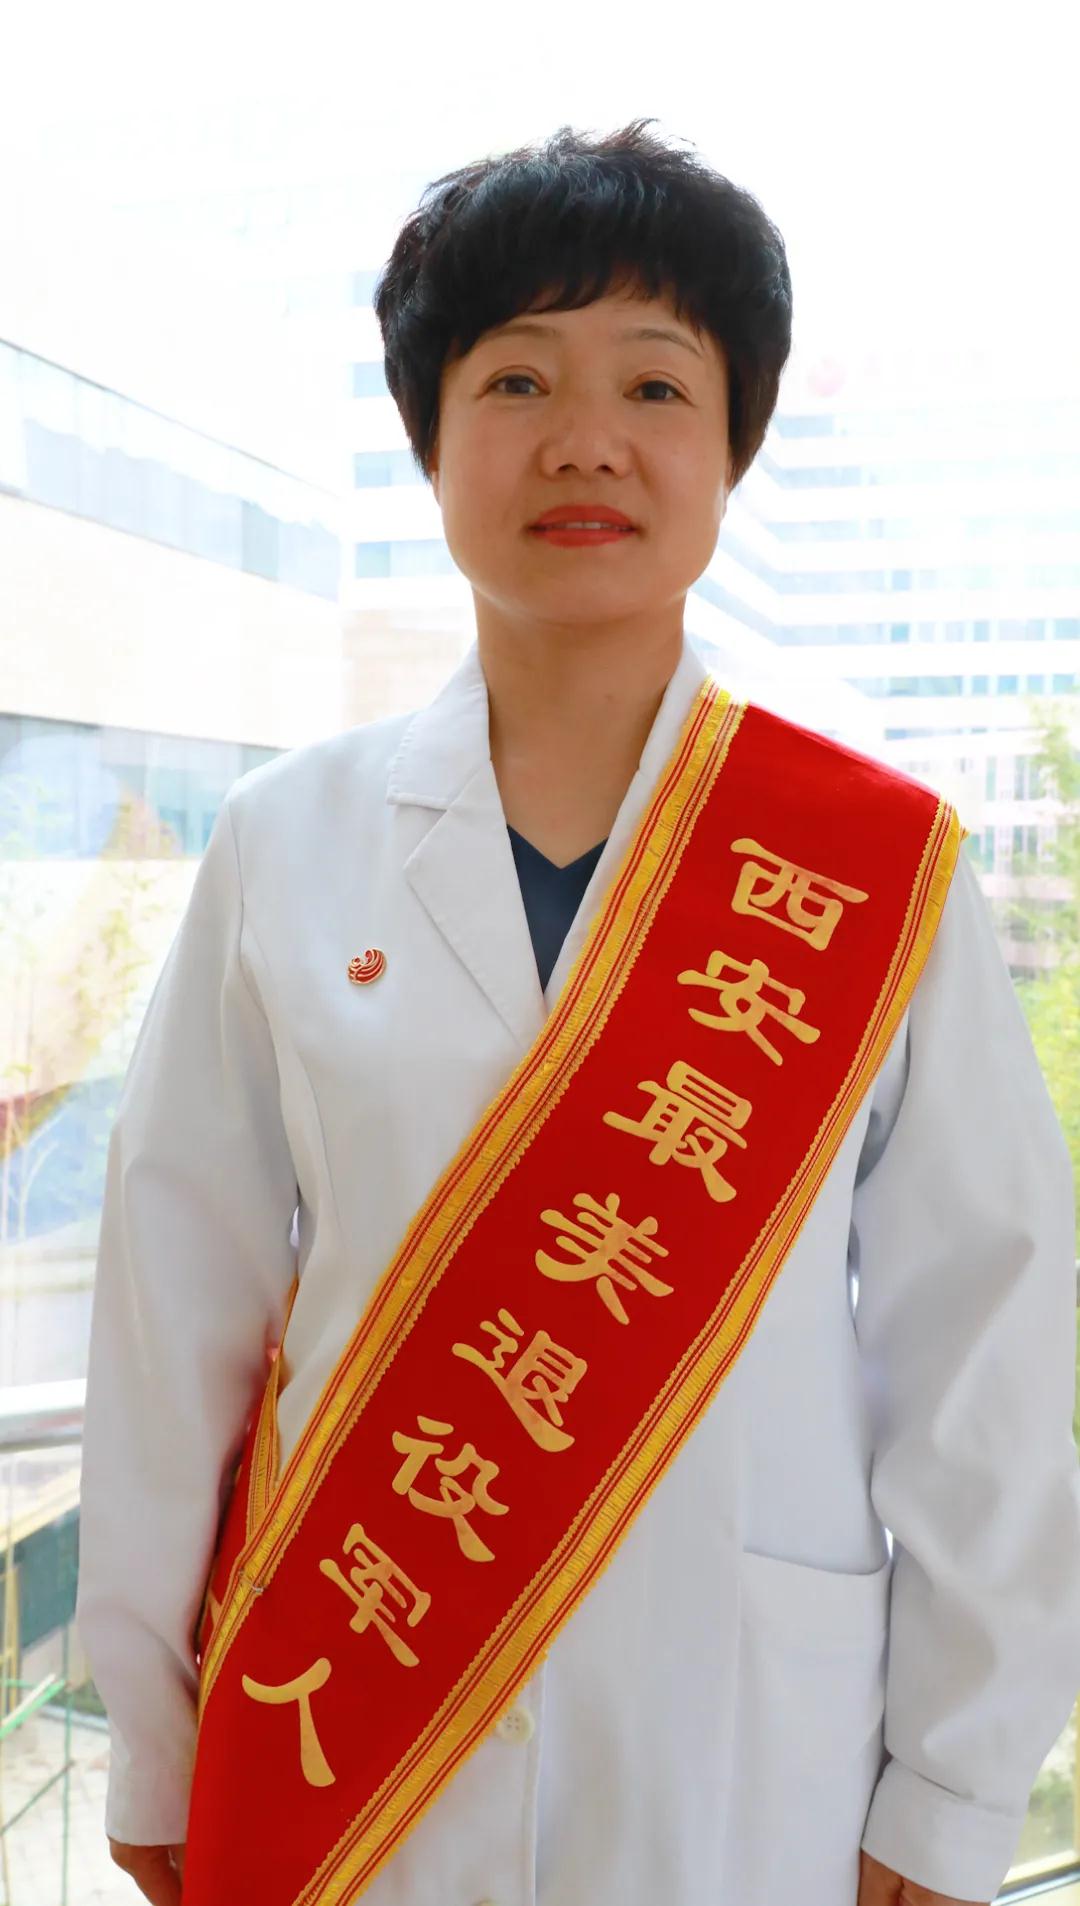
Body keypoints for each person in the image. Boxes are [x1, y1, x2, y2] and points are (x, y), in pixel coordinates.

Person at [75, 118, 1080, 1906]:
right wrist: (151, 1723)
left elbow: (982, 1364)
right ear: (431, 438)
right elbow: (176, 1312)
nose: (585, 439)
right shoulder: (283, 842)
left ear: (733, 444)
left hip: (745, 1750)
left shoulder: (872, 865)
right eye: (518, 377)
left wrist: (952, 1784)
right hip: (347, 1723)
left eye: (656, 384)